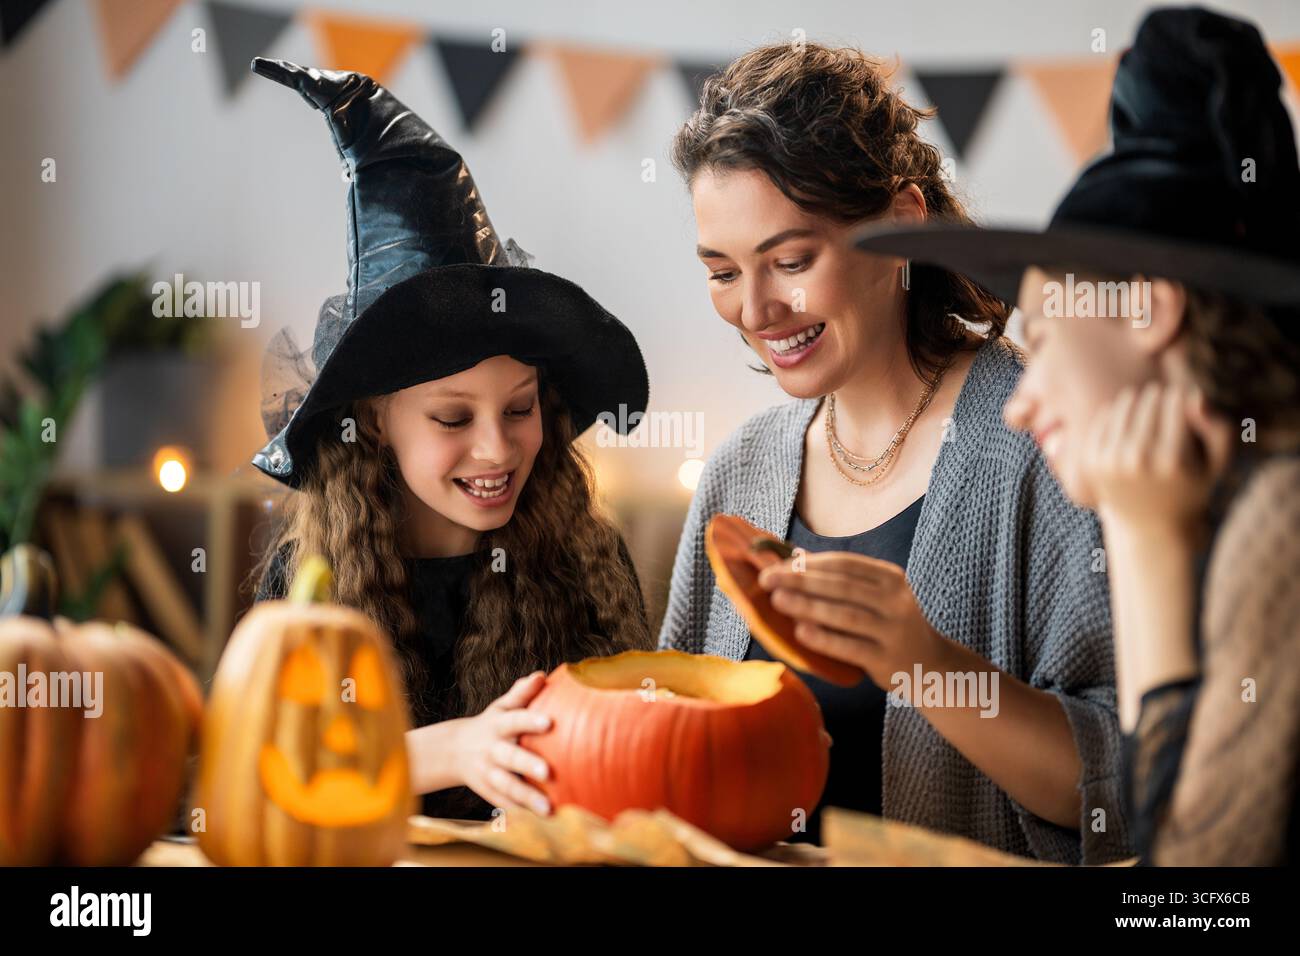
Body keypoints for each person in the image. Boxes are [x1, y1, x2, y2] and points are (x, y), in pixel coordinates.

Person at [660, 41, 1129, 862]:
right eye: (722, 272)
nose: (757, 310)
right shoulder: (741, 471)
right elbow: (671, 735)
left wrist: (926, 663)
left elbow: (1121, 786)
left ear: (902, 230)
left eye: (791, 261)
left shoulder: (1041, 444)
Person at [857, 7, 1300, 864]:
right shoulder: (1235, 498)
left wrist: (1143, 543)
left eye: (1048, 340)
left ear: (1146, 307)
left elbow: (1193, 898)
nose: (1022, 403)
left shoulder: (1279, 521)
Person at [243, 58, 653, 822]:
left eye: (521, 408)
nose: (497, 450)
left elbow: (627, 759)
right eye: (453, 419)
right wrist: (452, 750)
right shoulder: (311, 579)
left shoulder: (585, 559)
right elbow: (259, 776)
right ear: (373, 420)